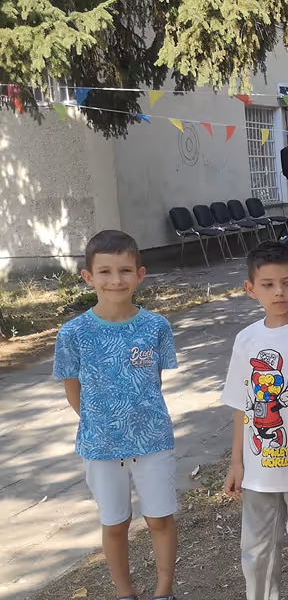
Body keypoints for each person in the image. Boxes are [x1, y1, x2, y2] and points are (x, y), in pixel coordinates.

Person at [53, 230, 180, 600]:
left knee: (159, 518)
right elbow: (73, 388)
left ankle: (163, 590)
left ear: (139, 274)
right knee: (115, 522)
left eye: (125, 271)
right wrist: (101, 422)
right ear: (88, 277)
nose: (116, 280)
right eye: (105, 272)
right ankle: (125, 593)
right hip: (100, 445)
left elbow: (153, 381)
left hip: (153, 440)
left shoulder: (156, 326)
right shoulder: (73, 333)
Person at [221, 242, 288, 600]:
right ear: (251, 289)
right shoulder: (246, 339)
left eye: (287, 282)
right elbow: (240, 403)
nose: (279, 291)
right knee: (257, 548)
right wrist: (236, 462)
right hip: (258, 469)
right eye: (267, 284)